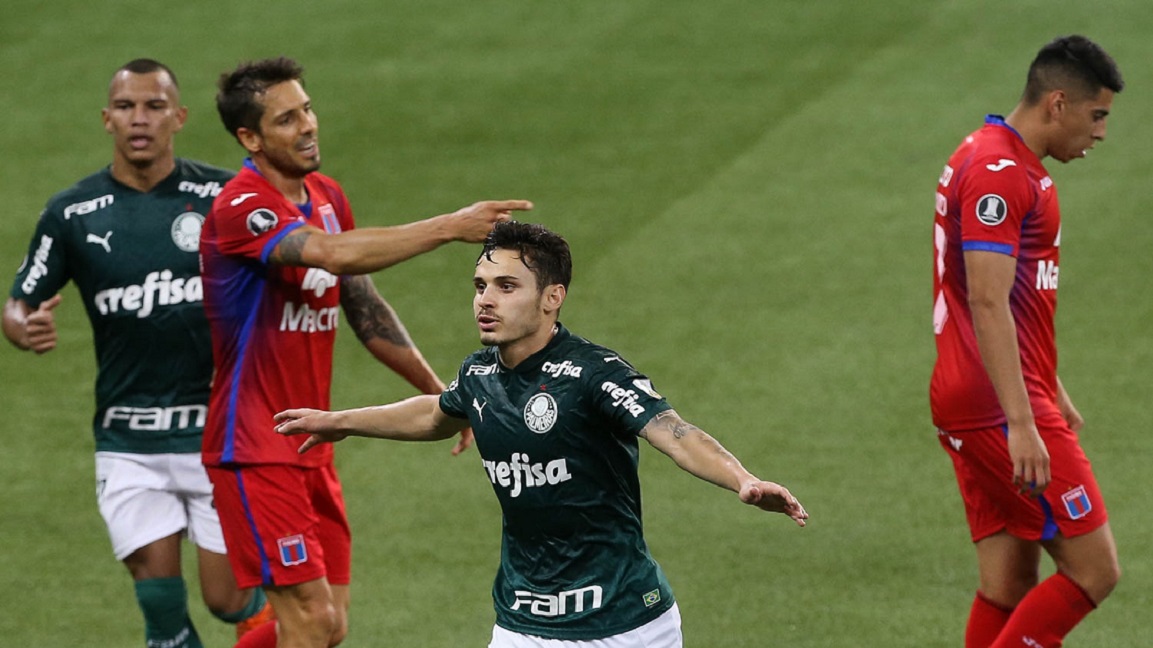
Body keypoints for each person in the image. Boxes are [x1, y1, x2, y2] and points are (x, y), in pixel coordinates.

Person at [273, 221, 808, 647]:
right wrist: (340, 420)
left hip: (624, 624)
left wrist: (742, 479)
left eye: (507, 287)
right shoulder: (480, 373)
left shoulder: (594, 373)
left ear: (552, 297)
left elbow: (673, 431)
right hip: (522, 622)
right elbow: (436, 414)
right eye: (481, 286)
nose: (486, 300)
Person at [199, 56, 532, 648]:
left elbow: (362, 305)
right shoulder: (239, 207)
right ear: (249, 137)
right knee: (311, 621)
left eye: (307, 108)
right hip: (256, 443)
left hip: (314, 436)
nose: (307, 126)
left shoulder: (325, 194)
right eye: (286, 119)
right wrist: (449, 225)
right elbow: (332, 255)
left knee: (330, 628)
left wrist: (440, 393)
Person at [2, 59, 273, 647]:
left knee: (227, 599)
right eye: (126, 107)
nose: (139, 119)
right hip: (128, 438)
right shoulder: (71, 214)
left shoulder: (225, 195)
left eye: (154, 106)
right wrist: (23, 327)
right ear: (107, 120)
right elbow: (20, 302)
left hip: (217, 433)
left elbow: (290, 263)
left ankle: (284, 618)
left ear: (179, 117)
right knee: (159, 602)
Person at [929, 35, 1124, 647]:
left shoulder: (991, 154)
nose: (1099, 134)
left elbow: (1012, 303)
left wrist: (1052, 386)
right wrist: (1023, 420)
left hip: (984, 395)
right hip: (996, 405)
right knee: (1094, 571)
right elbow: (986, 301)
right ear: (1058, 103)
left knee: (1008, 583)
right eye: (1097, 116)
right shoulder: (1001, 173)